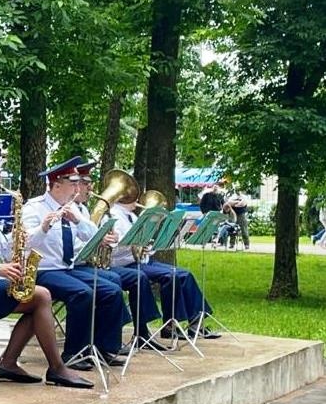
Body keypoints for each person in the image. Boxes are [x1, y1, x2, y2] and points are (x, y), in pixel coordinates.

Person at [0, 147, 92, 388]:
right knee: (41, 295)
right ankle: (56, 368)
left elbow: (4, 246)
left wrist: (39, 229)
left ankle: (9, 364)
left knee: (37, 298)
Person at [20, 157, 129, 371]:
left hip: (67, 268)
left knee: (111, 290)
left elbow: (93, 236)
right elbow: (25, 244)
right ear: (56, 185)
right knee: (82, 293)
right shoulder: (34, 208)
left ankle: (103, 347)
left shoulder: (73, 208)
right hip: (43, 270)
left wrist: (77, 220)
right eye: (72, 183)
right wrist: (44, 226)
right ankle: (73, 353)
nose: (76, 188)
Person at [73, 161, 158, 349]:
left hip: (92, 265)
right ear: (75, 185)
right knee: (119, 281)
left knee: (131, 278)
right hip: (79, 266)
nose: (91, 187)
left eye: (89, 182)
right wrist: (100, 241)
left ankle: (137, 332)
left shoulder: (84, 210)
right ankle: (108, 340)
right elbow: (72, 246)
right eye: (85, 183)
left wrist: (103, 240)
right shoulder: (75, 210)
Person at [110, 197, 218, 339]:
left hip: (143, 260)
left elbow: (144, 246)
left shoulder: (132, 216)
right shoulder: (114, 216)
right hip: (126, 264)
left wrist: (150, 242)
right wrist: (134, 243)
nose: (136, 200)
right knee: (171, 276)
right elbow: (115, 251)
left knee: (185, 274)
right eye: (133, 195)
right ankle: (169, 325)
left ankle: (196, 323)